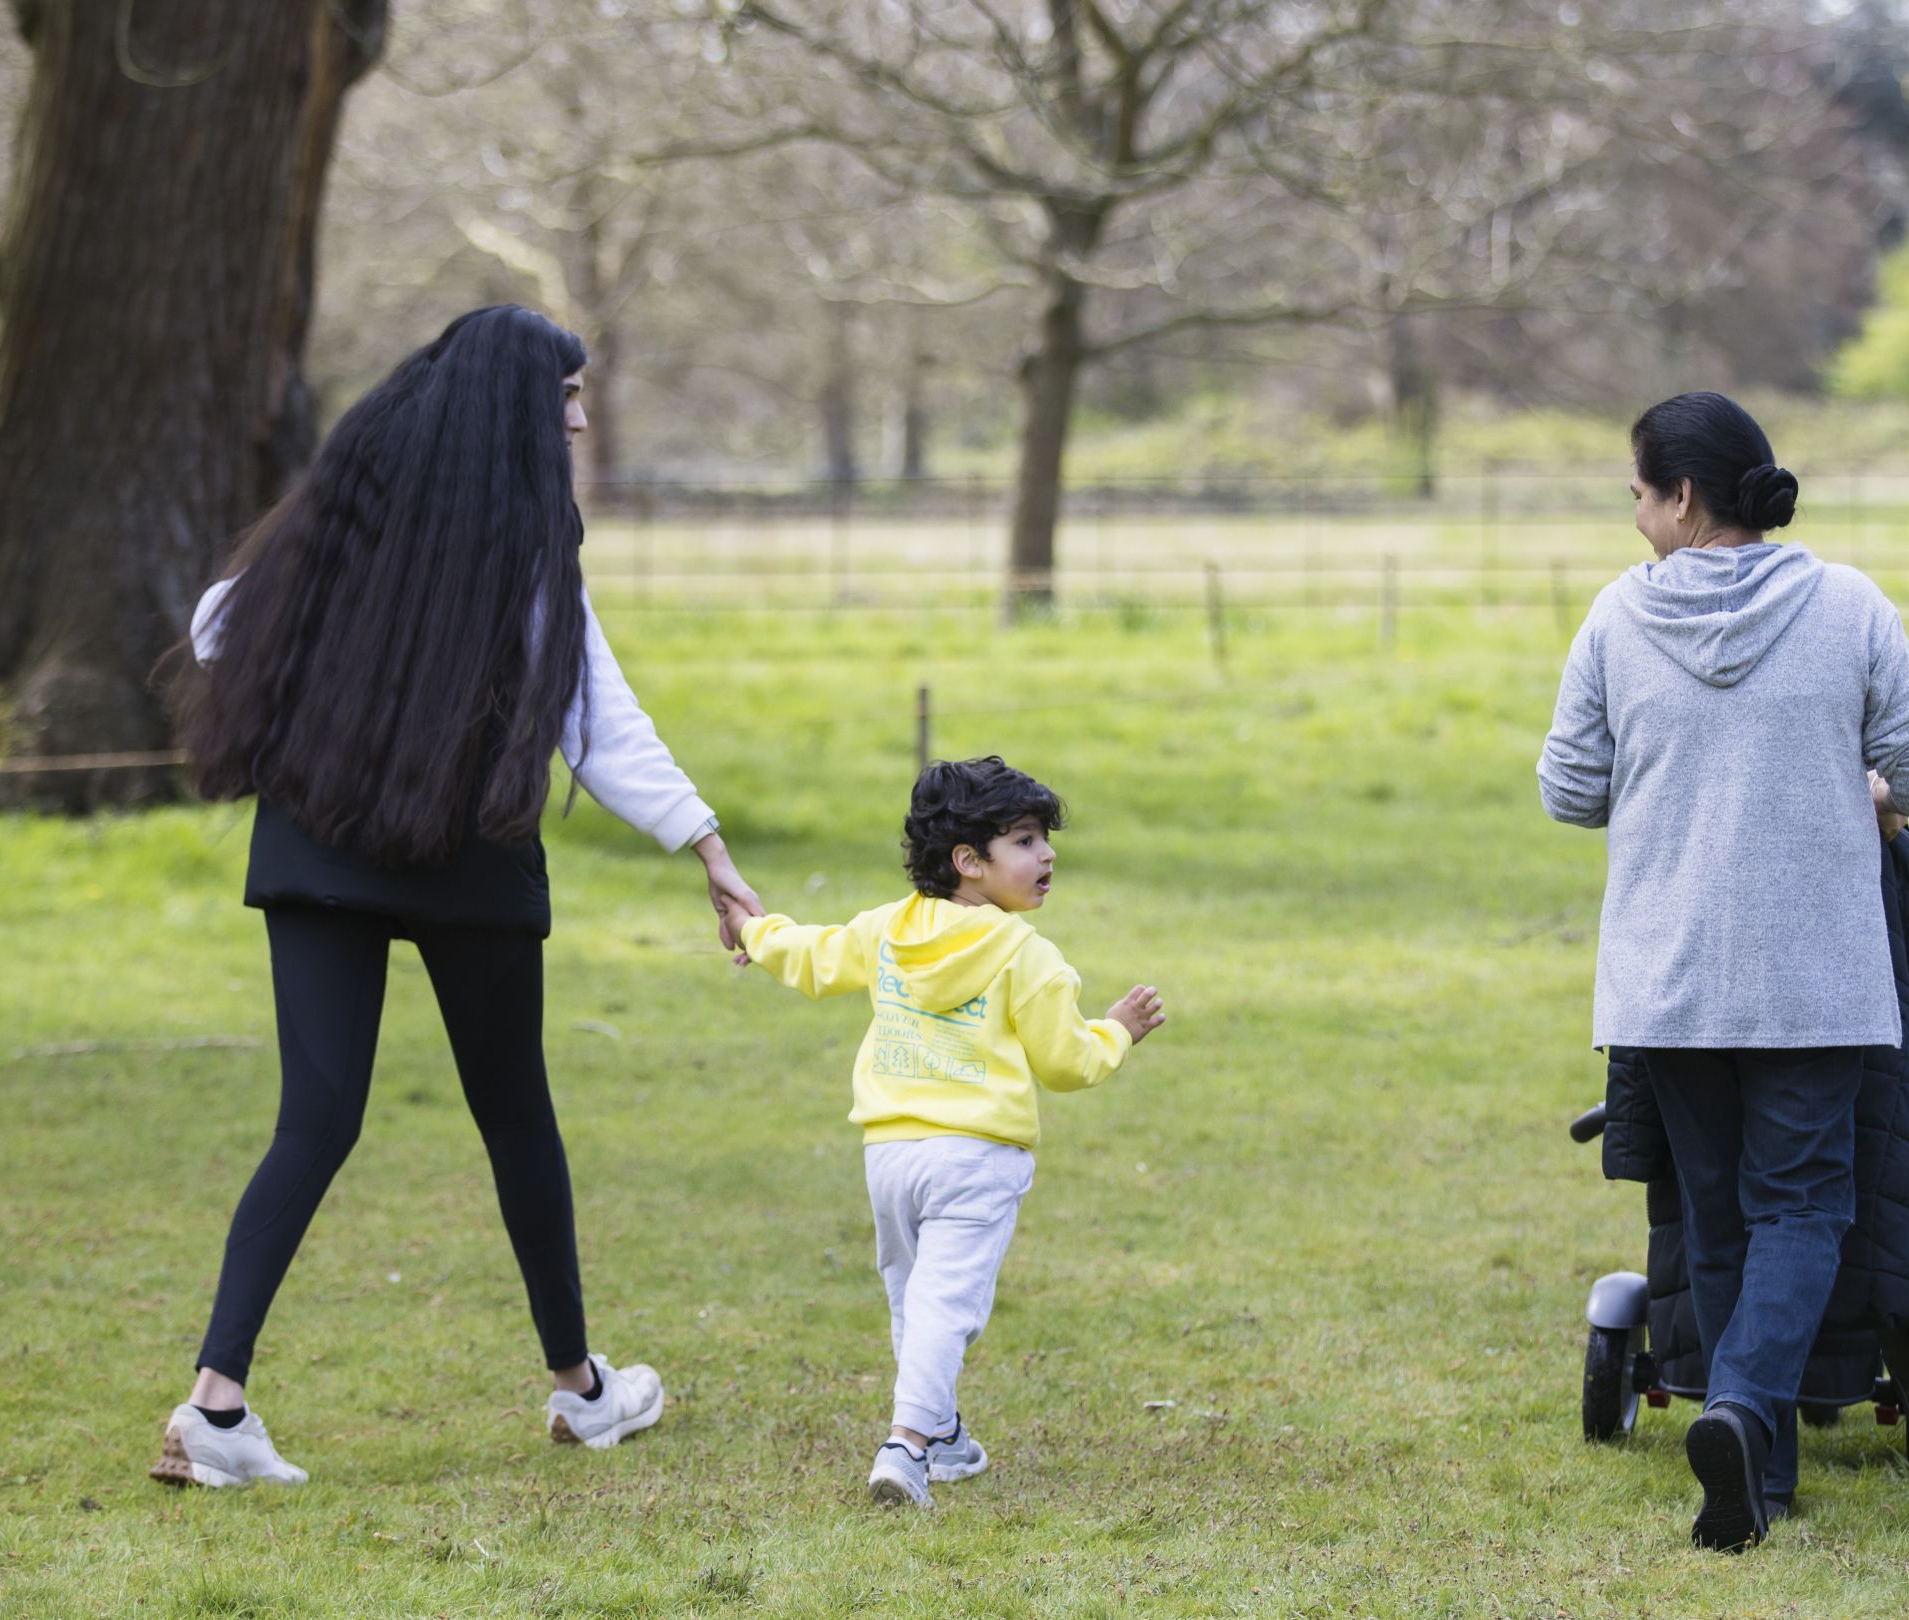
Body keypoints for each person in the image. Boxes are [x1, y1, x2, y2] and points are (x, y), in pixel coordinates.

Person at [148, 305, 762, 1489]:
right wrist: (708, 848)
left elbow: (219, 629)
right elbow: (597, 720)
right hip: (466, 862)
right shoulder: (524, 549)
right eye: (566, 398)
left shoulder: (336, 523)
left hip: (318, 851)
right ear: (514, 416)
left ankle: (215, 1407)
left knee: (314, 1122)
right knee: (515, 1117)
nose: (581, 417)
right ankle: (583, 1392)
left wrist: (350, 704)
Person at [1536, 391, 1909, 1551]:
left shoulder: (1617, 622)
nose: (1632, 517)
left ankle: (1756, 1474)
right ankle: (1742, 1415)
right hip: (1815, 975)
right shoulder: (1850, 605)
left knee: (1713, 1212)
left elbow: (1567, 789)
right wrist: (1854, 789)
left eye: (1637, 493)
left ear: (1682, 497)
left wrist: (1676, 781)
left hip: (1666, 979)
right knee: (1805, 1202)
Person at [736, 757, 1166, 1508]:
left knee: (915, 1301)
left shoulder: (889, 930)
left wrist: (750, 927)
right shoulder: (1028, 957)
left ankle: (946, 1438)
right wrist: (1118, 1032)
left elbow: (810, 956)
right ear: (969, 862)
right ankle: (905, 1447)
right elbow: (1066, 1064)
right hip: (977, 1157)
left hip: (890, 1154)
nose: (1047, 856)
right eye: (1026, 842)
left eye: (1044, 842)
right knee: (944, 1308)